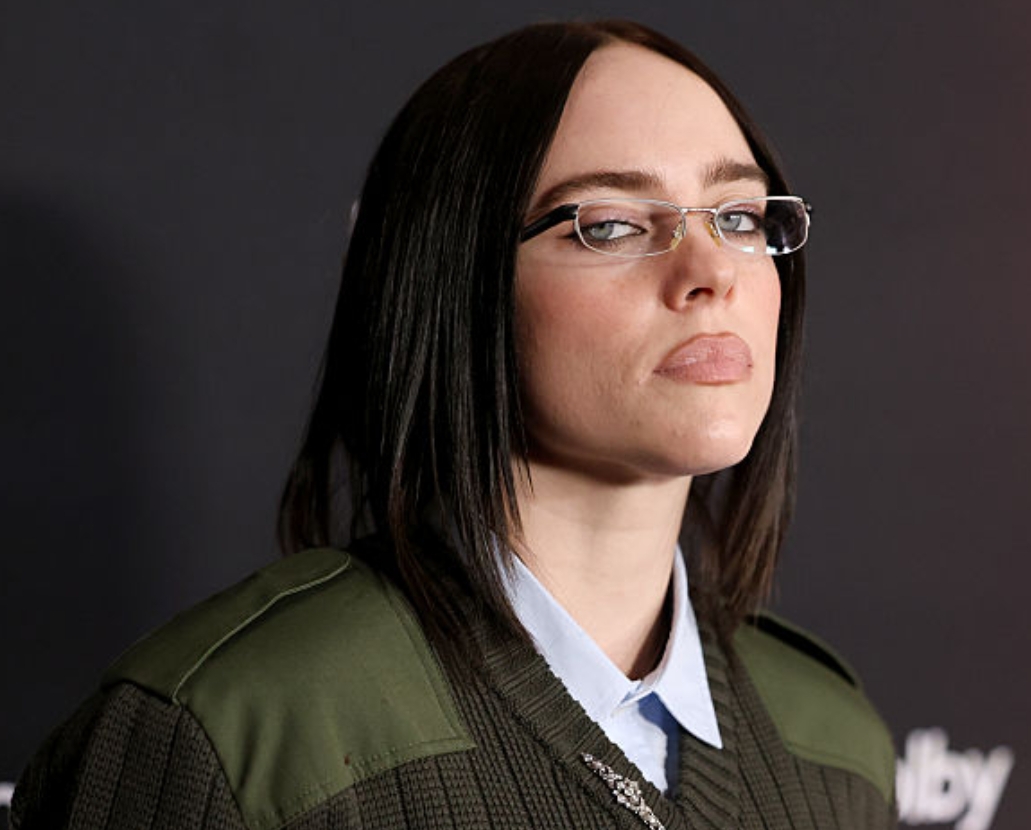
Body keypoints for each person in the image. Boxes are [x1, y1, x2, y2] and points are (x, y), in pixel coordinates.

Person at [12, 20, 895, 830]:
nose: (712, 272)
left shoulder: (832, 741)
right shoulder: (233, 732)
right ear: (452, 279)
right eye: (615, 225)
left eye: (739, 216)